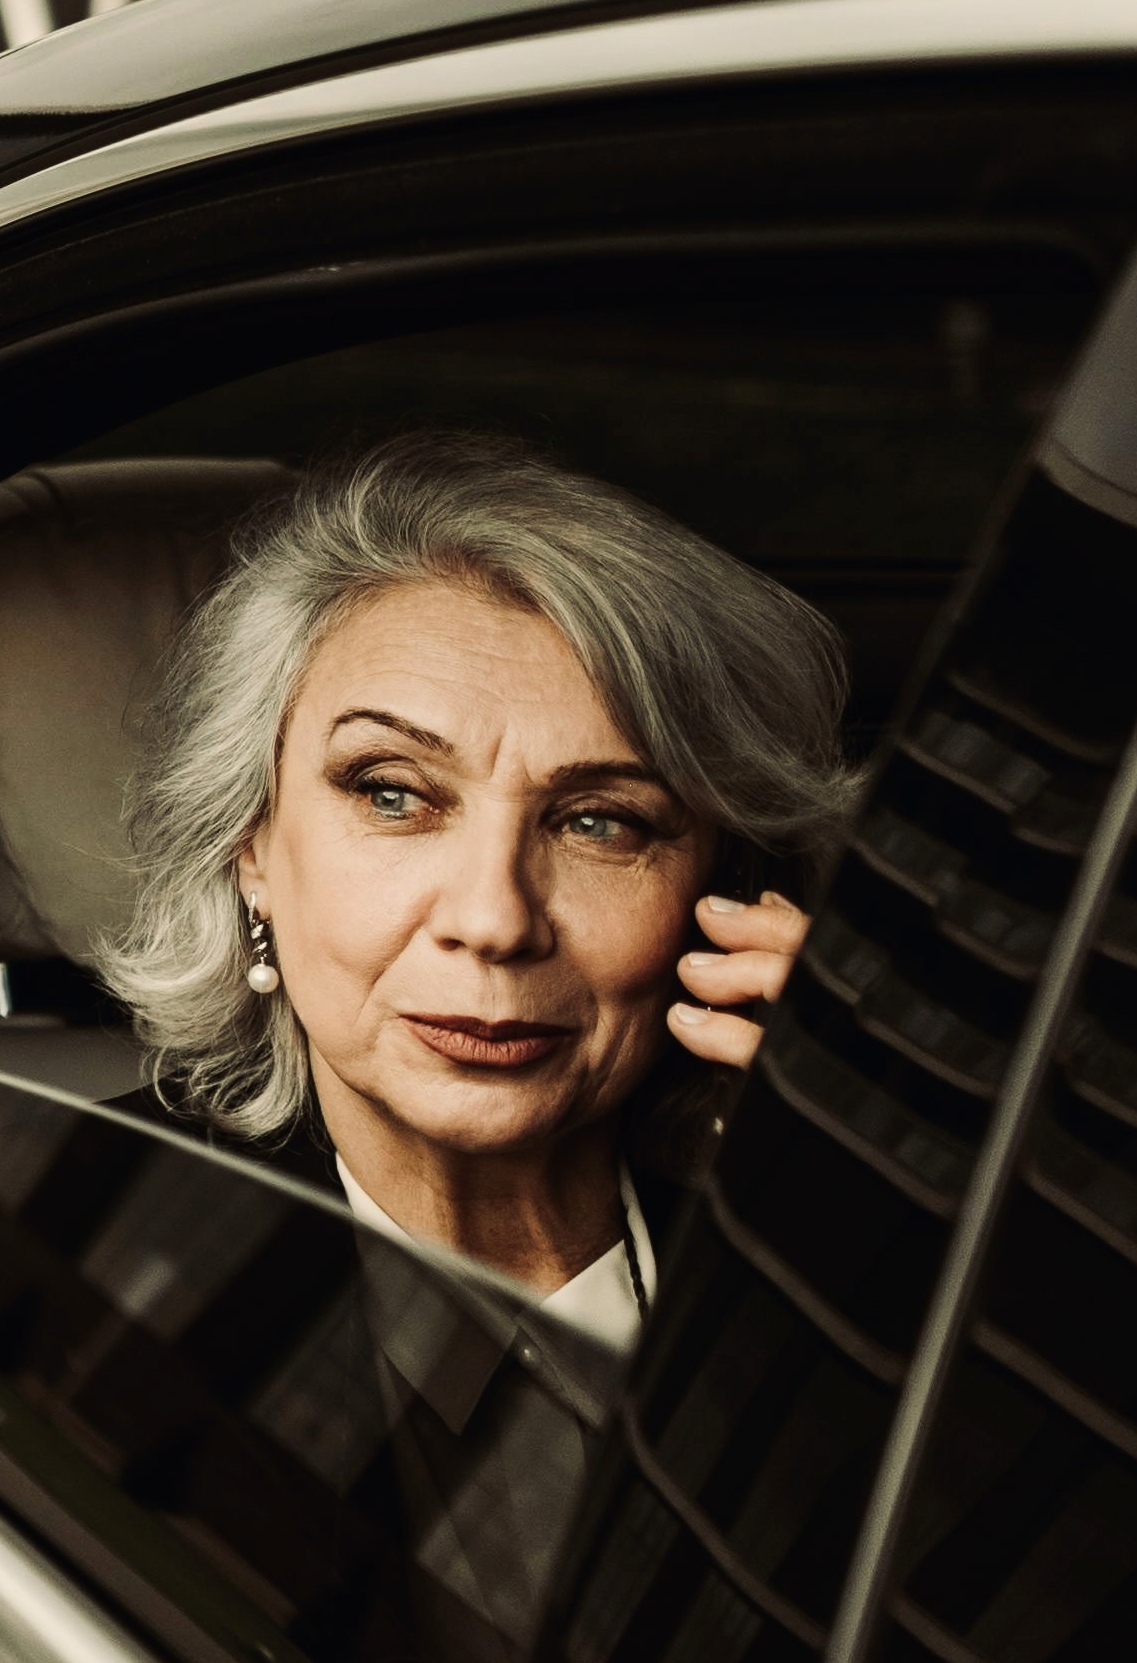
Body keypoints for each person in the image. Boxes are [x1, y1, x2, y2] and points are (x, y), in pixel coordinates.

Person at [94, 433, 857, 1339]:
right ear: (250, 844)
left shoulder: (853, 1250)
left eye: (599, 822)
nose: (494, 919)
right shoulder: (75, 1242)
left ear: (724, 884)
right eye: (394, 796)